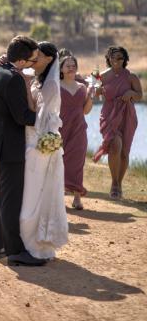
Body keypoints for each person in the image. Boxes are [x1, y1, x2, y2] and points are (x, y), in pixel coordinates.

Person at [0, 35, 46, 266]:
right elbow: (23, 117)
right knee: (11, 201)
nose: (34, 63)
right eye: (32, 60)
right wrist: (45, 116)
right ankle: (15, 252)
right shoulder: (13, 79)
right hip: (9, 149)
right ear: (21, 61)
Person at [19, 41, 68, 260]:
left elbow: (36, 116)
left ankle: (35, 243)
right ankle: (26, 239)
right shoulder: (38, 80)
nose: (33, 59)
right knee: (30, 190)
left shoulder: (50, 86)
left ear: (48, 59)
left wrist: (24, 85)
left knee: (35, 191)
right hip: (32, 138)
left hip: (40, 143)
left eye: (37, 55)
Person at [93, 46, 142, 199]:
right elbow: (94, 94)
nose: (116, 60)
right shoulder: (101, 76)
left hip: (127, 115)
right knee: (115, 146)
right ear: (109, 58)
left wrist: (131, 93)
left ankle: (119, 182)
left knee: (124, 152)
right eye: (113, 57)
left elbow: (140, 95)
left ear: (125, 59)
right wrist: (97, 91)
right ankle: (114, 183)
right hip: (109, 115)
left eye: (120, 57)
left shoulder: (131, 77)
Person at [59, 55, 93, 210]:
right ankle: (58, 197)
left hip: (79, 129)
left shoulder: (82, 87)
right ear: (61, 69)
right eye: (67, 65)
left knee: (78, 163)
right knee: (59, 163)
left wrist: (91, 96)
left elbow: (86, 111)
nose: (71, 68)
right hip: (60, 129)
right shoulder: (55, 86)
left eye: (73, 65)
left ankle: (77, 197)